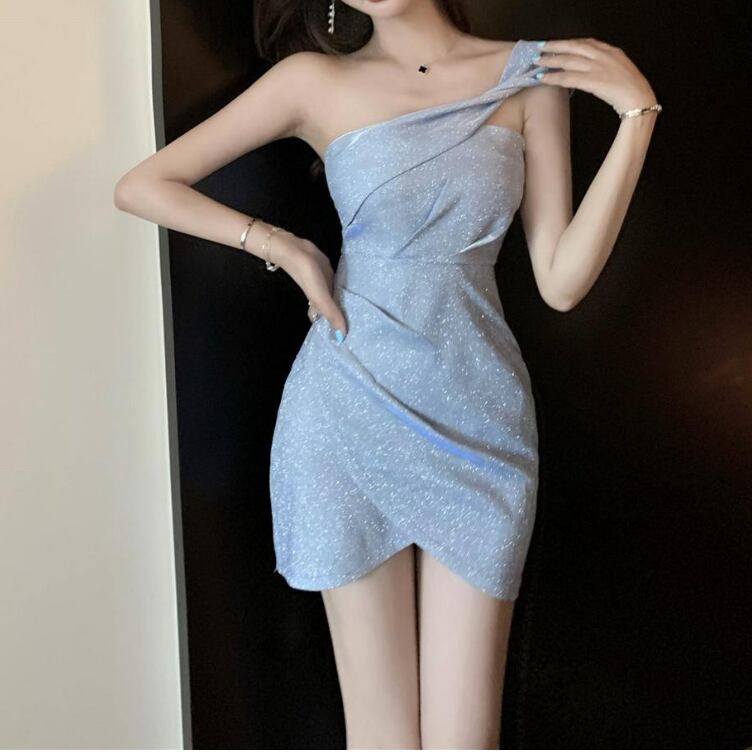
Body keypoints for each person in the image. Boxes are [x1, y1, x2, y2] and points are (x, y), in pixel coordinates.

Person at [114, 0, 660, 747]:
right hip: (346, 414)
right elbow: (143, 185)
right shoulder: (312, 80)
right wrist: (283, 246)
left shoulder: (532, 78)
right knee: (383, 738)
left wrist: (636, 118)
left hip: (481, 425)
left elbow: (561, 282)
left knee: (465, 740)